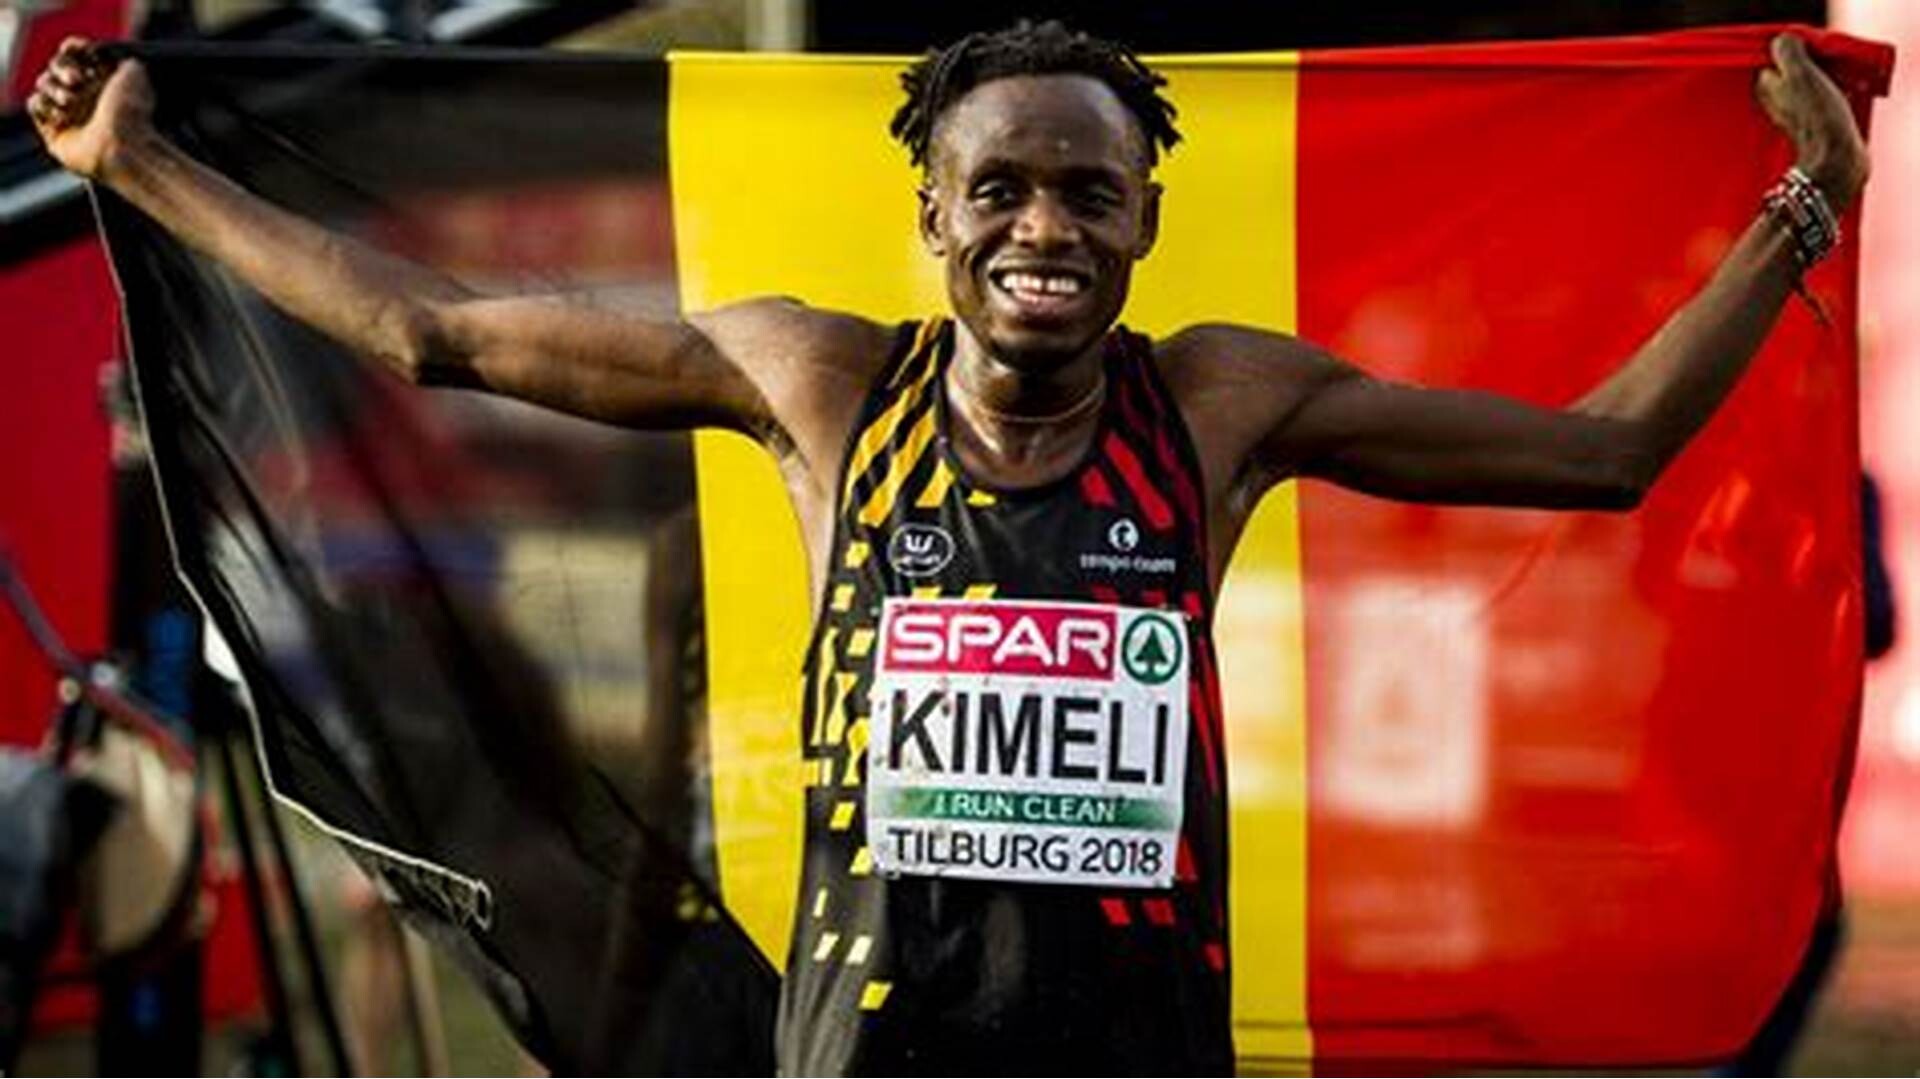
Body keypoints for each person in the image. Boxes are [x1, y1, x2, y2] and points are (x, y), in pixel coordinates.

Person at [28, 20, 1869, 1075]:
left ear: (1146, 220)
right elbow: (437, 332)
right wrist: (142, 166)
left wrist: (1805, 208)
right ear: (933, 216)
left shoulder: (1218, 404)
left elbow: (1605, 454)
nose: (1042, 228)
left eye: (1088, 192)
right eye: (999, 188)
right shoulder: (818, 385)